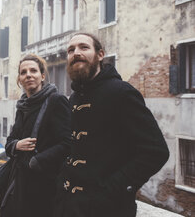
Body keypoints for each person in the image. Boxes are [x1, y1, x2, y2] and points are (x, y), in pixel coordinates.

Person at [53, 33, 170, 217]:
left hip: (108, 209)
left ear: (100, 55)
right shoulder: (74, 98)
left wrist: (111, 190)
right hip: (69, 207)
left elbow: (156, 151)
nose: (76, 53)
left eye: (83, 47)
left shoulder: (122, 92)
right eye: (71, 50)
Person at [0, 54, 72, 217]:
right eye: (23, 72)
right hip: (19, 183)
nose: (28, 75)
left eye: (33, 70)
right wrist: (17, 145)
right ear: (19, 79)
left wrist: (37, 161)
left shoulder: (56, 101)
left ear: (42, 76)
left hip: (45, 185)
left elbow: (67, 143)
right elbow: (10, 141)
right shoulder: (22, 106)